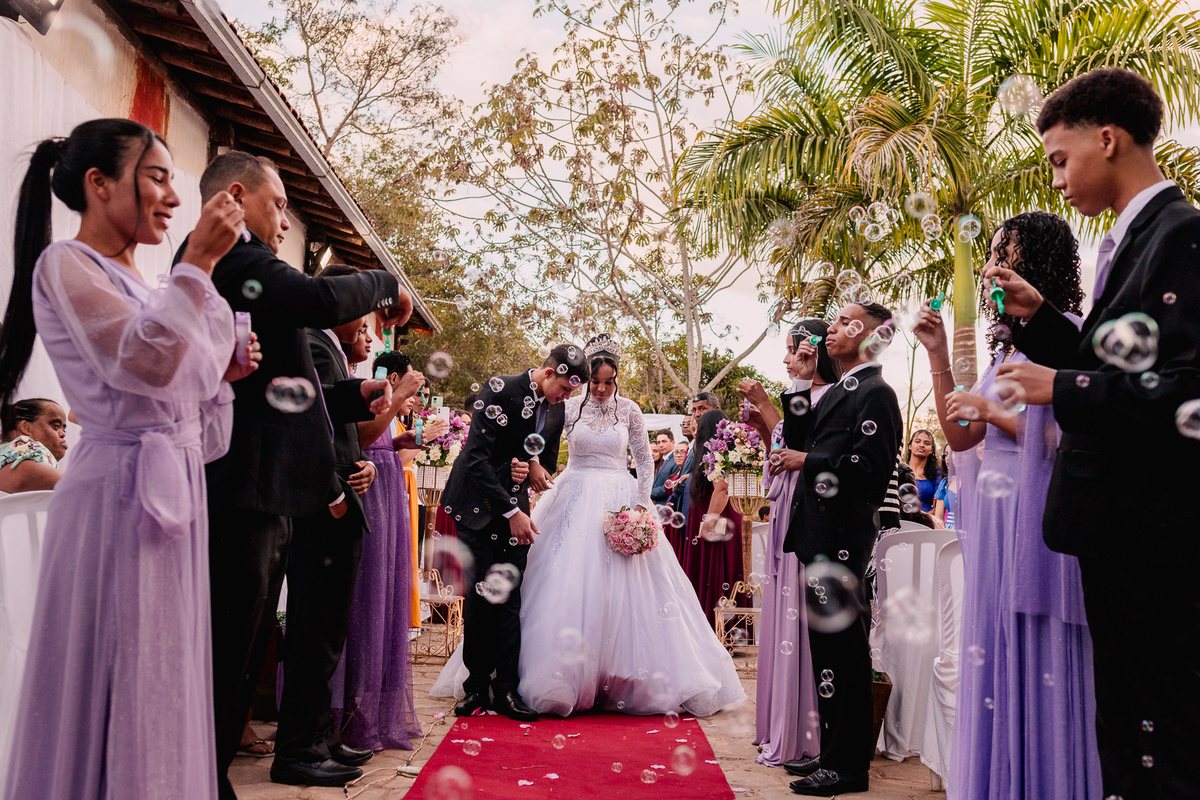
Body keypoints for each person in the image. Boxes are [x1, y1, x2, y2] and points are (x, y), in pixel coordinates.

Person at [2, 118, 259, 800]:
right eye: (156, 176)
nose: (173, 197)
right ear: (98, 184)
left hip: (172, 492)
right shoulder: (64, 265)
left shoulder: (147, 285)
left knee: (162, 675)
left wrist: (222, 377)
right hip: (116, 492)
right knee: (119, 668)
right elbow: (143, 362)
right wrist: (197, 265)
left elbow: (196, 420)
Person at [984, 67, 1200, 800]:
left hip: (1157, 538)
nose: (1055, 180)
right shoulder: (1132, 238)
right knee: (1128, 728)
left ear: (1106, 139)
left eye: (1058, 159)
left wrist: (1061, 388)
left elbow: (1187, 393)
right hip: (1120, 535)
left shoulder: (1181, 236)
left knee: (1162, 734)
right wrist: (1041, 318)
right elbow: (1114, 365)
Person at [187, 150, 409, 799]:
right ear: (237, 194)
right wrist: (384, 283)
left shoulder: (237, 264)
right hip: (244, 482)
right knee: (228, 645)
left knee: (244, 643)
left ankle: (212, 773)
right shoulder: (235, 259)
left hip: (268, 486)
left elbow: (288, 394)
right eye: (278, 203)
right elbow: (316, 297)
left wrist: (353, 398)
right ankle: (203, 774)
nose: (284, 219)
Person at [434, 334, 746, 717]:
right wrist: (529, 465)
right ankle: (497, 682)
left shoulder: (627, 410)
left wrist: (638, 507)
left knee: (619, 593)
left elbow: (641, 461)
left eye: (607, 382)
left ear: (617, 380)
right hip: (568, 496)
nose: (599, 389)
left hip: (619, 496)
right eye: (592, 382)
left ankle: (617, 674)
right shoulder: (566, 407)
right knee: (537, 588)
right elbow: (532, 449)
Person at [918, 210, 1102, 799]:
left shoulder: (1068, 334)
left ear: (1040, 263)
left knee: (1041, 646)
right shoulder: (1007, 351)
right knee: (997, 646)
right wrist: (938, 353)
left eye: (1007, 253)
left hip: (1038, 513)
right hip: (997, 518)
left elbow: (1067, 437)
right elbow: (960, 436)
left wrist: (997, 413)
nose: (994, 265)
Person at [775, 302, 903, 796]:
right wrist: (803, 379)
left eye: (846, 322)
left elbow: (869, 468)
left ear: (873, 337)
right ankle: (831, 754)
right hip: (820, 534)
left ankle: (849, 767)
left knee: (845, 654)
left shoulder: (877, 393)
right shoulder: (842, 388)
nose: (830, 328)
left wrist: (807, 459)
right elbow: (801, 434)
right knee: (825, 651)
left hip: (844, 538)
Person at [437, 345, 579, 721]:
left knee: (510, 600)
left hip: (515, 510)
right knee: (481, 599)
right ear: (549, 372)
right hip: (478, 509)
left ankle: (507, 692)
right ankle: (475, 689)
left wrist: (531, 467)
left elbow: (542, 460)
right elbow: (476, 459)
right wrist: (512, 508)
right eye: (563, 388)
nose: (564, 398)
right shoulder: (500, 391)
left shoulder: (557, 407)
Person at [738, 319, 841, 769]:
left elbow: (805, 450)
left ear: (814, 353)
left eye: (793, 350)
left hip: (811, 517)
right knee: (784, 619)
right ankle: (779, 723)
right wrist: (764, 427)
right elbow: (782, 458)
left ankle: (804, 730)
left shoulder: (831, 398)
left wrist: (766, 404)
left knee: (800, 620)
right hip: (785, 513)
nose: (785, 359)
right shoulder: (801, 397)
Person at [330, 347, 430, 752]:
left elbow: (377, 441)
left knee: (382, 599)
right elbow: (363, 438)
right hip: (368, 497)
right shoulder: (377, 395)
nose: (367, 340)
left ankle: (367, 705)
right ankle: (347, 709)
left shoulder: (386, 401)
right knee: (365, 601)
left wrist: (401, 440)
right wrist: (399, 396)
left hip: (385, 494)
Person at [680, 408, 744, 622]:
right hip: (712, 512)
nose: (694, 427)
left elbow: (722, 489)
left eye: (698, 423)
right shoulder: (711, 451)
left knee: (714, 568)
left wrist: (709, 521)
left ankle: (715, 626)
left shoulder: (716, 451)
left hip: (715, 515)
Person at [0, 398, 68, 492]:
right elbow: (23, 476)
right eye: (56, 426)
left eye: (64, 429)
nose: (63, 434)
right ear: (26, 427)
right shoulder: (26, 445)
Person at [904, 430, 940, 513]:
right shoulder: (900, 470)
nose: (921, 445)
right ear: (910, 446)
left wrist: (923, 519)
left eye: (927, 443)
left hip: (927, 522)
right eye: (917, 441)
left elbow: (939, 506)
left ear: (931, 450)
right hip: (902, 520)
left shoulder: (936, 474)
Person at [650, 428, 676, 503]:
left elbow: (670, 486)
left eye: (664, 441)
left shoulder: (675, 461)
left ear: (673, 442)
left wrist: (649, 493)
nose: (661, 445)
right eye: (658, 442)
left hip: (667, 504)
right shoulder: (663, 460)